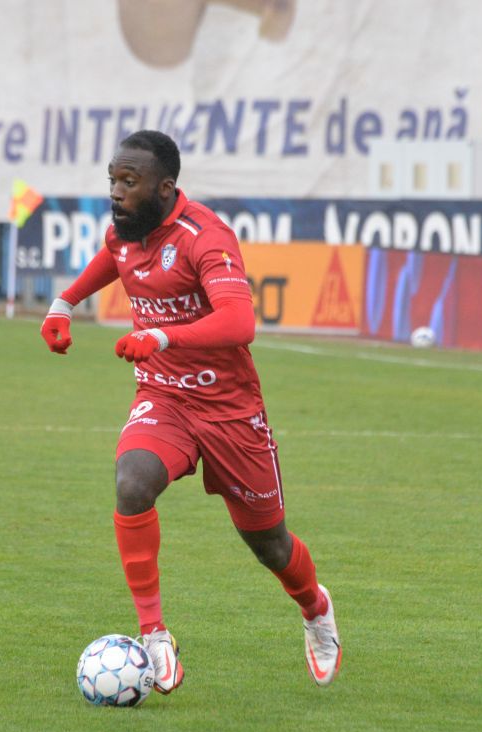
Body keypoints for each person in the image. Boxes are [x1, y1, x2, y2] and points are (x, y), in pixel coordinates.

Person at [39, 130, 341, 692]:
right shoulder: (125, 232)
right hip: (164, 398)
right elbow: (114, 255)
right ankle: (153, 634)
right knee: (131, 483)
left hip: (229, 410)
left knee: (269, 543)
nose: (117, 192)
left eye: (130, 182)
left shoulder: (205, 236)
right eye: (112, 180)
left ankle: (315, 607)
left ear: (165, 187)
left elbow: (239, 322)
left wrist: (160, 336)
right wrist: (64, 303)